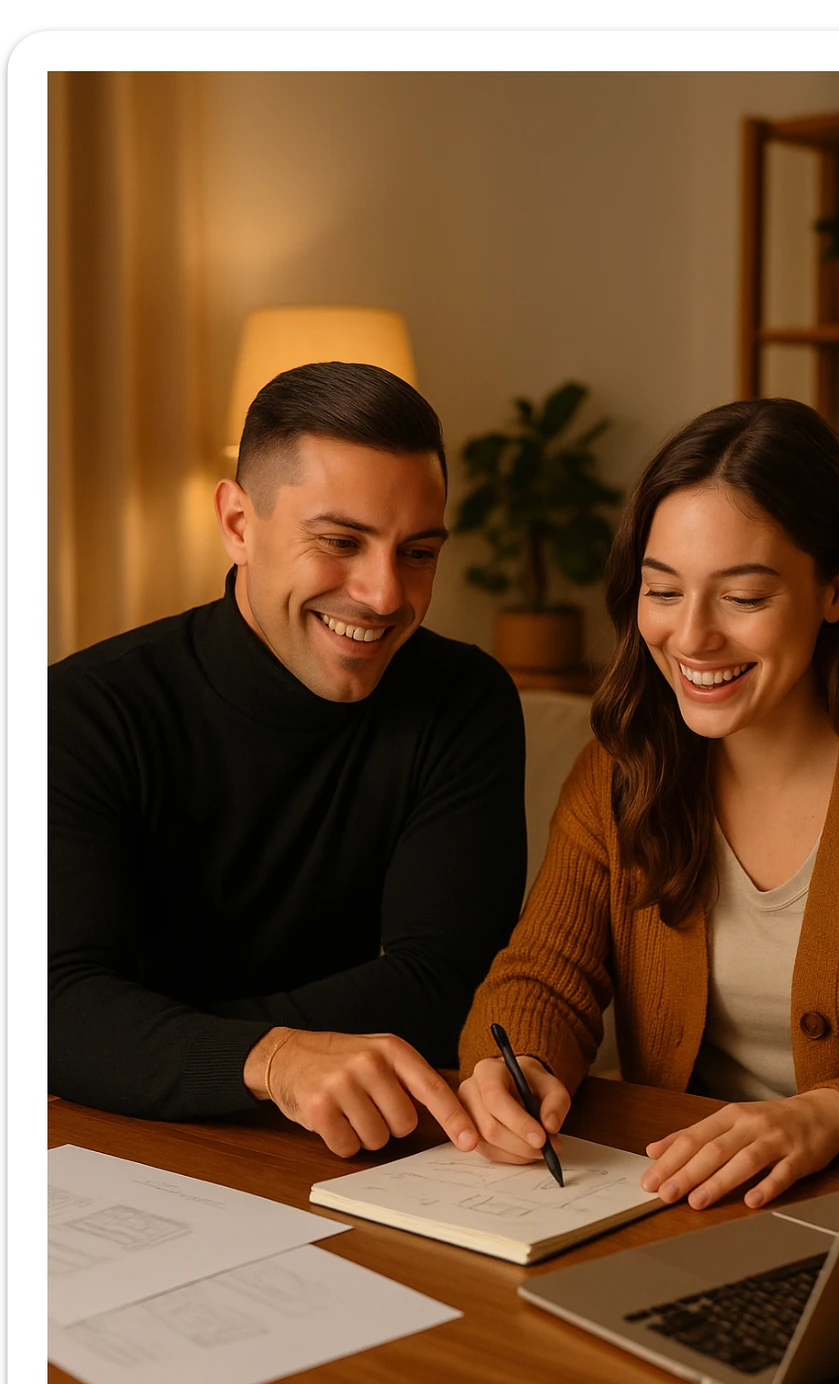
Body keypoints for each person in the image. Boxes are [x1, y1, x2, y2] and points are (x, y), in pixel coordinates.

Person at [458, 396, 839, 1211]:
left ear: (838, 586)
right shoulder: (622, 768)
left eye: (742, 597)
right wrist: (518, 1062)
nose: (692, 638)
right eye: (663, 592)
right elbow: (543, 976)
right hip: (686, 1204)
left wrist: (835, 1112)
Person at [49, 361, 528, 1160]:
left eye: (418, 552)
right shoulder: (81, 712)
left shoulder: (463, 700)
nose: (383, 594)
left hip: (354, 1144)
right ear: (238, 522)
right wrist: (269, 1058)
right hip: (112, 1144)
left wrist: (155, 1042)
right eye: (340, 542)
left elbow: (449, 983)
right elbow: (53, 1008)